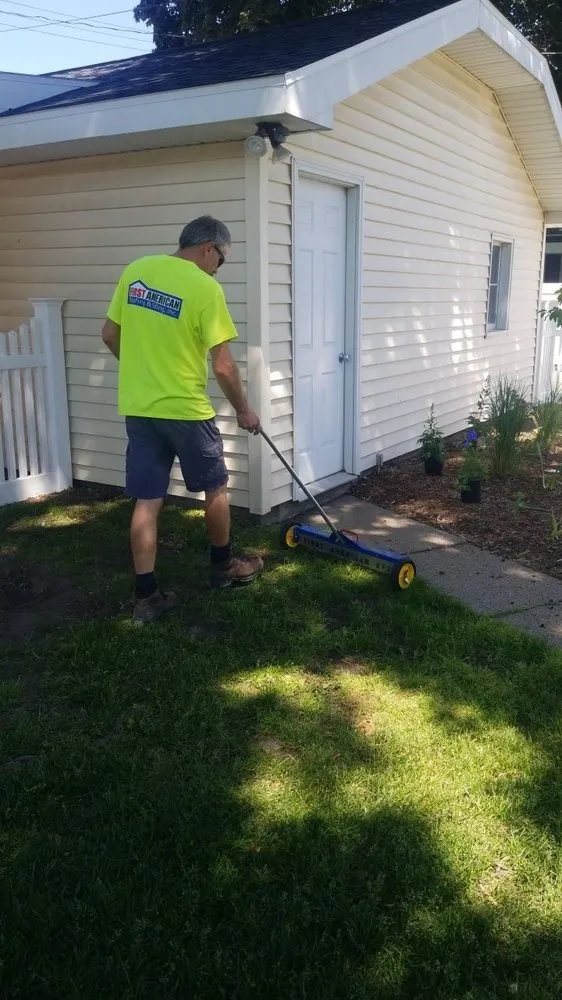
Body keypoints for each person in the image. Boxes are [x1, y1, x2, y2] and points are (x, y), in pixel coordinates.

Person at [101, 215, 263, 624]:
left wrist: (139, 371)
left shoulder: (137, 271)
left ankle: (146, 596)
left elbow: (108, 334)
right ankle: (223, 567)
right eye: (221, 259)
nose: (218, 268)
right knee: (215, 487)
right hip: (187, 412)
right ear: (209, 248)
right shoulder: (205, 288)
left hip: (140, 410)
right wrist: (244, 410)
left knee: (148, 499)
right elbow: (223, 366)